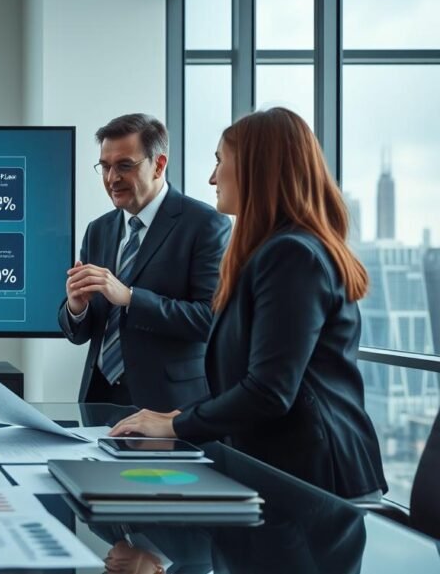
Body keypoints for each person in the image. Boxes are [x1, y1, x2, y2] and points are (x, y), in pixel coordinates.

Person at [110, 107, 387, 500]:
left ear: (257, 168)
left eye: (221, 161)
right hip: (289, 473)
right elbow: (251, 379)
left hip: (317, 482)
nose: (211, 177)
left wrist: (176, 427)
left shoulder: (292, 256)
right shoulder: (273, 252)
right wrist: (180, 416)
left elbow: (269, 391)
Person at [59, 113, 231, 411]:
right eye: (106, 166)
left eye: (125, 165)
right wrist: (77, 307)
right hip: (98, 400)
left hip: (169, 407)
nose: (112, 178)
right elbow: (82, 333)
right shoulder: (98, 229)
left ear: (159, 165)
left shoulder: (205, 225)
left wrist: (130, 298)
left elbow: (209, 319)